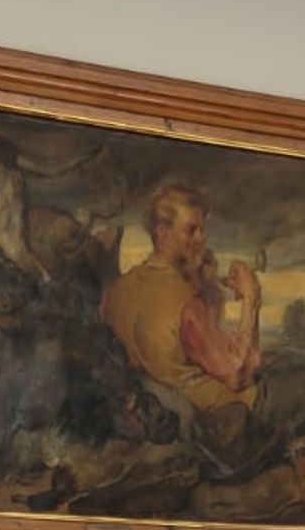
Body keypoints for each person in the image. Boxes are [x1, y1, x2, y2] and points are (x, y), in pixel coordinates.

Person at [101, 182, 262, 453]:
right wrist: (251, 300)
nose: (201, 239)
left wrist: (207, 290)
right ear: (163, 234)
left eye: (202, 230)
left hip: (161, 407)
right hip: (217, 418)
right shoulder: (184, 302)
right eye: (191, 230)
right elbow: (238, 376)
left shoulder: (117, 291)